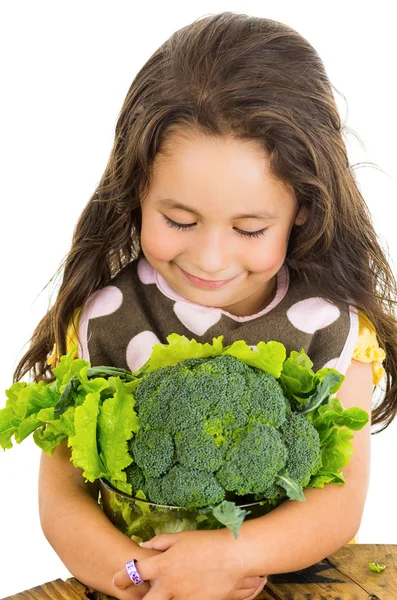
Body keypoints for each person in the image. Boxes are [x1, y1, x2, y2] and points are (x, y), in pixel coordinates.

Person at [13, 11, 397, 600]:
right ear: (135, 186)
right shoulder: (106, 319)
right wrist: (143, 576)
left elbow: (337, 504)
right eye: (180, 220)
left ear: (304, 208)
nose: (211, 258)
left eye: (249, 229)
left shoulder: (329, 327)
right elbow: (62, 496)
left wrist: (230, 557)